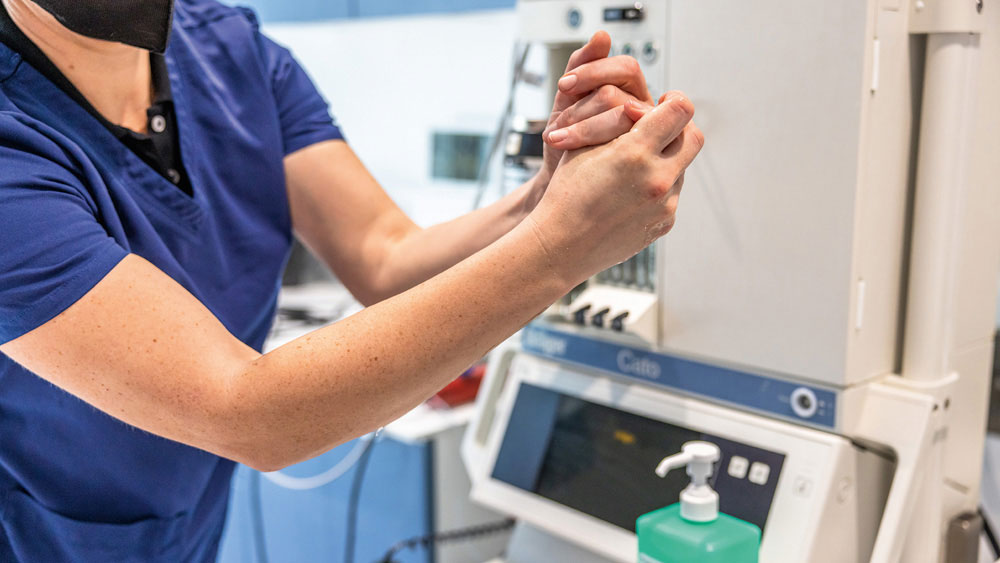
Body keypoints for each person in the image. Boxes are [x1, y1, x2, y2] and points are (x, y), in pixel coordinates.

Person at [0, 0, 703, 560]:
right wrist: (563, 245)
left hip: (181, 526)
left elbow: (383, 255)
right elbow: (247, 412)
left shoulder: (233, 55)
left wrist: (543, 200)